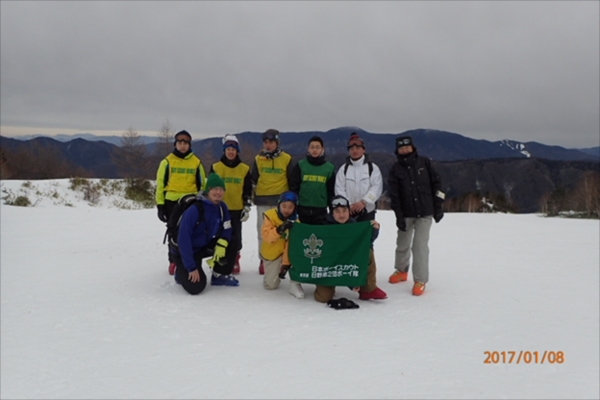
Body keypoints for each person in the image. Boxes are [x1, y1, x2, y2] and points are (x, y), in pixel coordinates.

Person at [387, 136, 445, 296]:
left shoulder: (424, 163)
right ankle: (401, 270)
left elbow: (438, 184)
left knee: (419, 246)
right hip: (406, 213)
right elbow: (394, 195)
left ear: (413, 147)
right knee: (402, 243)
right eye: (401, 148)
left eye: (407, 147)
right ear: (397, 150)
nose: (404, 150)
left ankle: (420, 280)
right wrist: (398, 215)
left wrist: (438, 206)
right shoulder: (396, 169)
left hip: (425, 212)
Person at [171, 173, 239, 295]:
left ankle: (219, 274)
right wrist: (191, 268)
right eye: (215, 189)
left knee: (233, 241)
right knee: (196, 287)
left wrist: (222, 242)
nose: (218, 192)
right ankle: (181, 271)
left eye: (221, 189)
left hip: (205, 245)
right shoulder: (195, 209)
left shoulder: (222, 207)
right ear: (208, 190)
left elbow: (227, 227)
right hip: (187, 250)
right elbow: (183, 239)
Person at [313, 195, 387, 303]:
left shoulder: (353, 225)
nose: (341, 214)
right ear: (332, 213)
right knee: (323, 298)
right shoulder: (323, 226)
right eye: (337, 211)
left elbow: (364, 244)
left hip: (346, 263)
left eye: (344, 210)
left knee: (367, 251)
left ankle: (368, 289)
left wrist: (374, 231)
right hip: (327, 268)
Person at [155, 130, 207, 275]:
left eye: (185, 143)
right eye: (180, 143)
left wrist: (201, 202)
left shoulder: (196, 162)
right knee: (173, 232)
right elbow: (160, 185)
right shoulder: (167, 162)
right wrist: (160, 205)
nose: (182, 146)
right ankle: (173, 261)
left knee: (191, 232)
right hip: (171, 202)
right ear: (175, 144)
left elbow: (202, 184)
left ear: (189, 145)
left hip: (191, 202)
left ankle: (189, 260)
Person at [250, 129, 293, 275]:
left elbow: (291, 180)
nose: (268, 145)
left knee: (282, 233)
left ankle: (282, 260)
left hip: (280, 202)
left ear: (277, 143)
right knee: (263, 232)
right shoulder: (258, 159)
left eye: (271, 142)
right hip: (262, 200)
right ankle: (264, 259)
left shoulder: (286, 159)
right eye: (266, 142)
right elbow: (253, 180)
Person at [209, 134, 252, 275]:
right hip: (219, 209)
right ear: (224, 150)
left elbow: (247, 189)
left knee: (236, 237)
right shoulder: (216, 167)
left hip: (236, 209)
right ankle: (219, 258)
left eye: (233, 149)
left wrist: (246, 206)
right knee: (218, 235)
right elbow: (209, 188)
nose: (231, 152)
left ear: (237, 151)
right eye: (228, 149)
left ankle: (235, 259)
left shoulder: (244, 169)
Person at [260, 191, 304, 299]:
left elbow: (292, 244)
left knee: (298, 258)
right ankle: (272, 272)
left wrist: (286, 264)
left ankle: (295, 284)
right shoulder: (270, 216)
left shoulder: (296, 222)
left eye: (290, 207)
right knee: (270, 285)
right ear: (279, 205)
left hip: (287, 254)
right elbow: (267, 237)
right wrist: (279, 230)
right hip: (273, 253)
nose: (287, 210)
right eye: (284, 206)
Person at [334, 132, 383, 222]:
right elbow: (339, 189)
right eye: (352, 148)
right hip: (348, 212)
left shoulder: (372, 168)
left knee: (367, 235)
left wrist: (364, 202)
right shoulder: (344, 169)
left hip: (367, 211)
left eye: (358, 148)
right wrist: (349, 205)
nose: (355, 151)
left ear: (363, 150)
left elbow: (376, 188)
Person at [289, 136, 335, 225]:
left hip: (320, 210)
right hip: (302, 209)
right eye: (312, 147)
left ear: (322, 149)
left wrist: (332, 210)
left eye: (317, 147)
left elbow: (331, 191)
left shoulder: (329, 168)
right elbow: (294, 187)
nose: (314, 150)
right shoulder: (300, 165)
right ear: (308, 149)